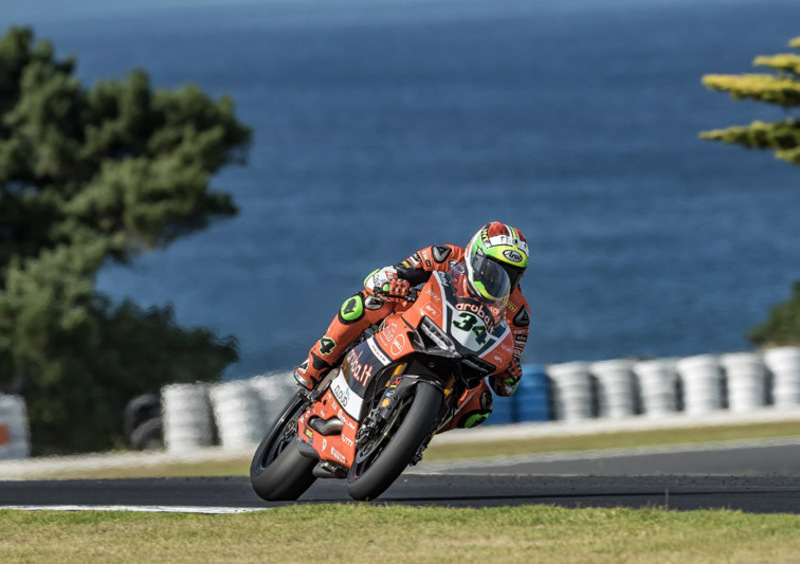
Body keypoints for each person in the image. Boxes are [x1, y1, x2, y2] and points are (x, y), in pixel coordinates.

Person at [293, 221, 531, 429]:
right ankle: (316, 365)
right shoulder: (444, 255)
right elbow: (385, 276)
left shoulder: (518, 312)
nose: (501, 279)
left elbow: (507, 376)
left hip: (462, 359)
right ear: (474, 256)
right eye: (494, 268)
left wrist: (511, 374)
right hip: (418, 322)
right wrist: (392, 285)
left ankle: (416, 433)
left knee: (480, 406)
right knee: (370, 303)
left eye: (512, 274)